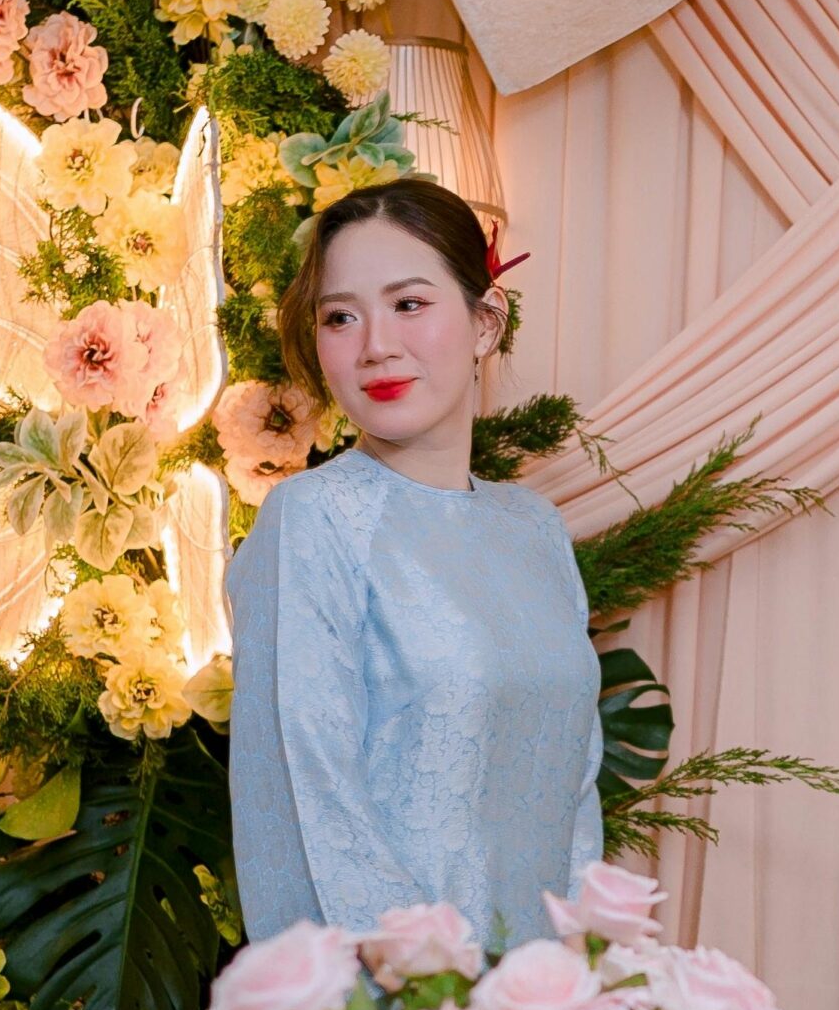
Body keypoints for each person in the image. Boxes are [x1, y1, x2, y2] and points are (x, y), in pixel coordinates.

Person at [226, 178, 601, 946]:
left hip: (540, 999)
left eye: (408, 303)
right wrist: (433, 997)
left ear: (485, 321)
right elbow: (309, 807)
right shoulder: (313, 518)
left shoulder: (535, 528)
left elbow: (577, 792)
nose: (376, 346)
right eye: (340, 316)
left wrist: (577, 976)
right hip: (395, 1002)